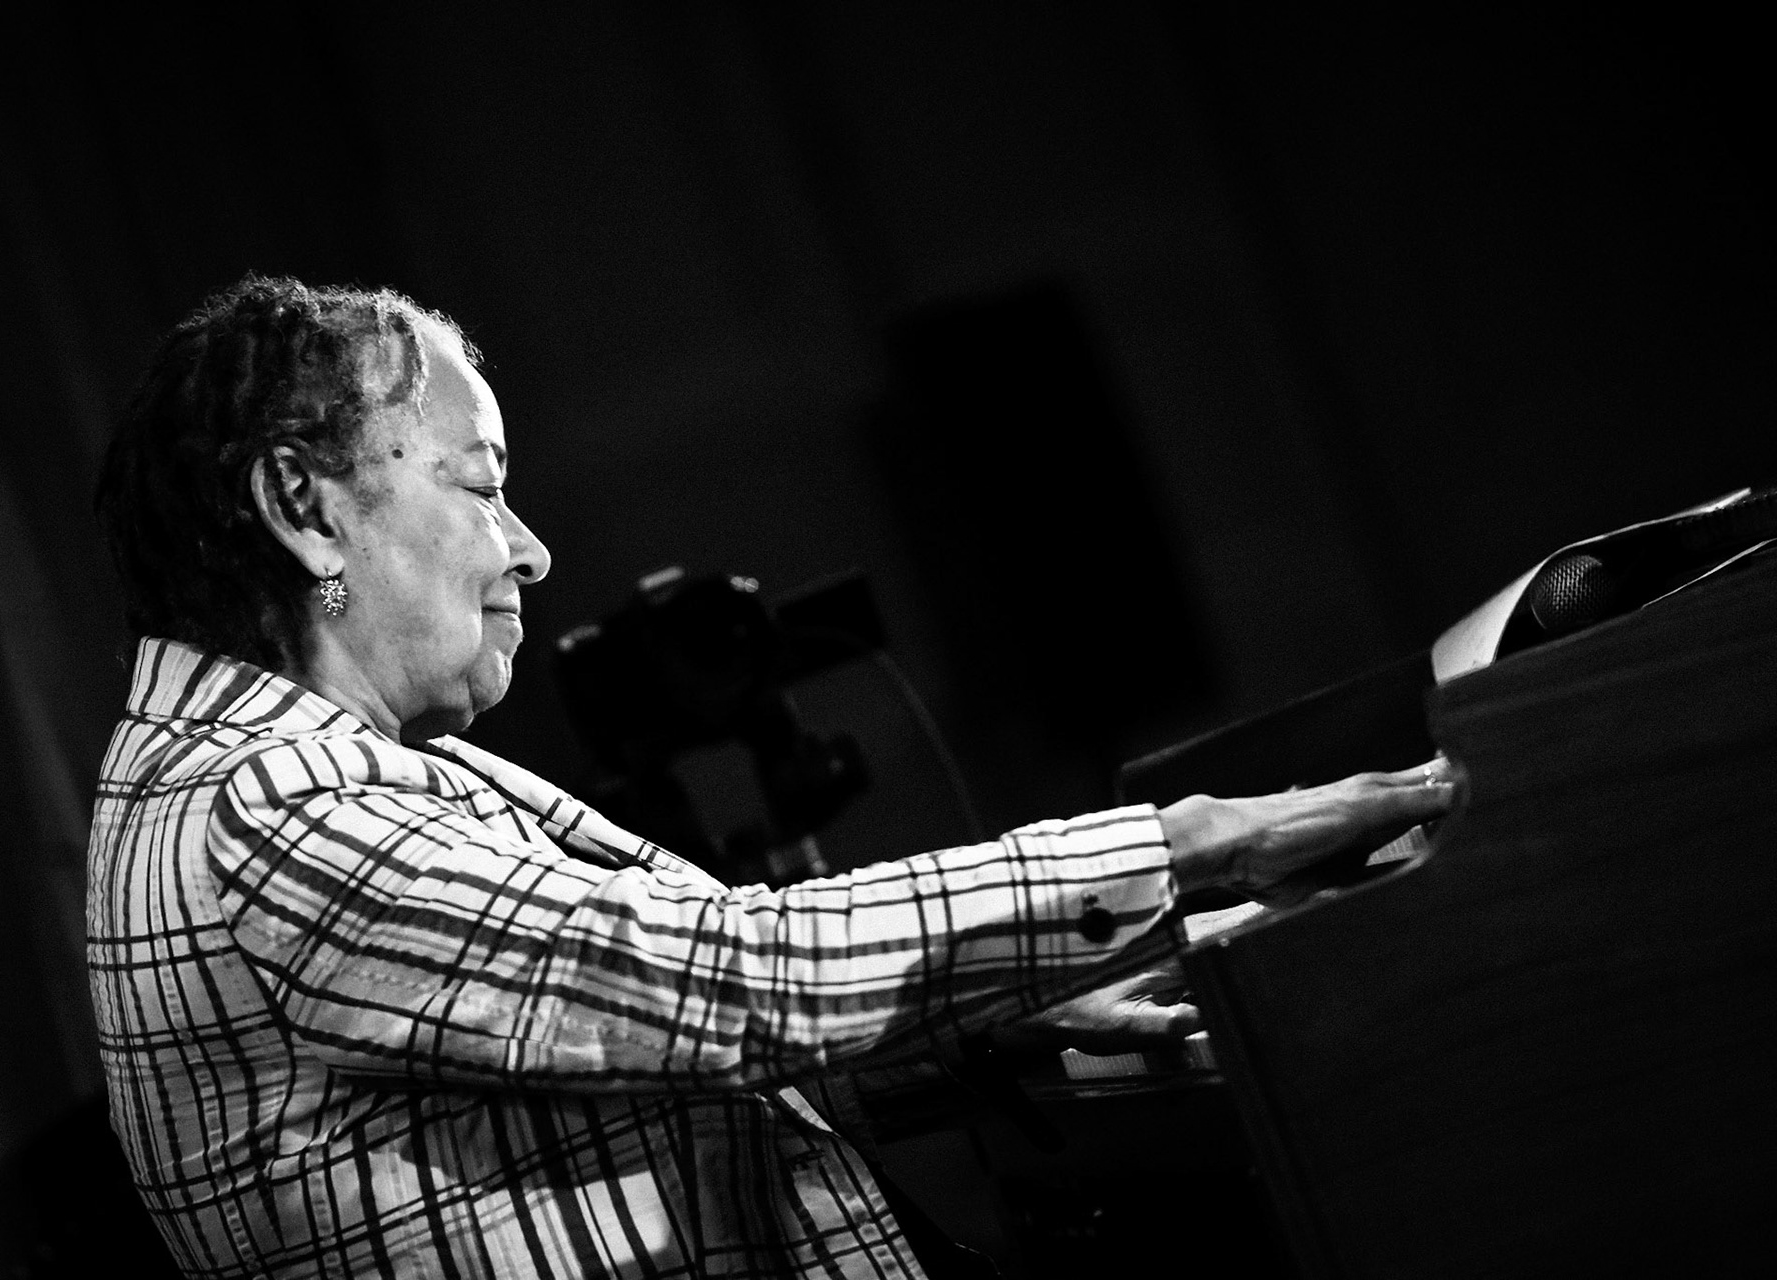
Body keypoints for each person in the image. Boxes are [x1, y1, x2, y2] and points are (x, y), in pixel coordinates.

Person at [87, 276, 1455, 1279]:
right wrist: (1192, 840)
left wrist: (999, 1016)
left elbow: (587, 1092)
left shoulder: (238, 778)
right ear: (301, 504)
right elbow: (734, 980)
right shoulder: (264, 806)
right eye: (476, 484)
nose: (530, 549)